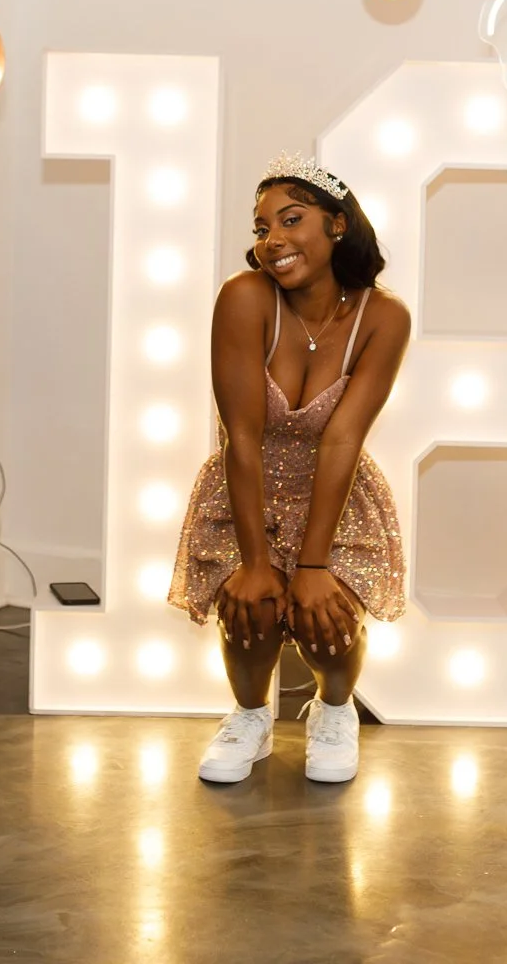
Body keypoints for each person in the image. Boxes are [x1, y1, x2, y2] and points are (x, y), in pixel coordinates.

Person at [167, 152, 412, 785]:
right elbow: (241, 436)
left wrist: (312, 565)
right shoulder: (245, 298)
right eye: (261, 228)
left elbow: (343, 440)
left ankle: (334, 709)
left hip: (336, 493)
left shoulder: (384, 317)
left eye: (291, 219)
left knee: (325, 623)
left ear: (337, 224)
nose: (272, 239)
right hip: (245, 486)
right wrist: (255, 563)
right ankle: (250, 717)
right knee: (249, 615)